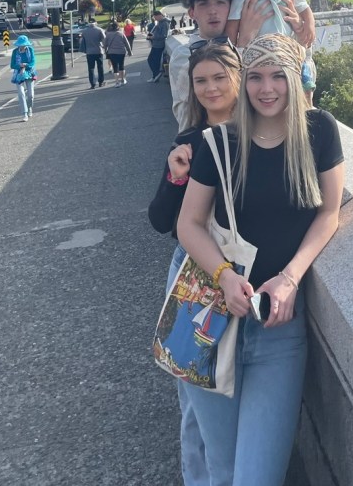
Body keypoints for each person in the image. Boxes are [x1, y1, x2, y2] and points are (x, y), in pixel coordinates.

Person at [178, 34, 344, 486]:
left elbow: (329, 213)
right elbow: (188, 224)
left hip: (276, 330)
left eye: (277, 76)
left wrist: (290, 278)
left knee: (257, 477)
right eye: (255, 77)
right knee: (222, 469)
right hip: (211, 318)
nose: (266, 89)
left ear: (294, 78)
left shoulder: (319, 130)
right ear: (243, 81)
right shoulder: (220, 141)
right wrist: (224, 276)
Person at [149, 42, 243, 486]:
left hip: (243, 275)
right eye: (201, 80)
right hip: (191, 273)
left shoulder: (258, 134)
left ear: (238, 78)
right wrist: (175, 177)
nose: (211, 88)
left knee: (233, 387)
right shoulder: (188, 141)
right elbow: (159, 220)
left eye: (219, 77)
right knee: (192, 390)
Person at [167, 0, 266, 130]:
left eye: (220, 2)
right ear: (192, 13)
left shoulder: (250, 43)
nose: (213, 11)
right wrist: (244, 41)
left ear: (232, 8)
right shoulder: (184, 55)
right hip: (202, 141)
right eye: (203, 4)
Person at [10, 34, 36, 121]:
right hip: (19, 73)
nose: (22, 46)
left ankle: (30, 108)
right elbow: (12, 65)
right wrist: (20, 66)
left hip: (29, 72)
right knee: (21, 93)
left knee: (30, 95)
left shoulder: (30, 50)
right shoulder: (15, 52)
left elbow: (32, 62)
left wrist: (25, 65)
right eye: (20, 45)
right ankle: (24, 113)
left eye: (24, 45)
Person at [104, 20, 133, 86]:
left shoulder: (108, 35)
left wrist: (106, 51)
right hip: (121, 52)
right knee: (121, 66)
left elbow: (105, 44)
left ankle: (117, 82)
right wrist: (129, 52)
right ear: (118, 27)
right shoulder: (121, 34)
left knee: (115, 67)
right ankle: (123, 79)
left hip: (112, 52)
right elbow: (127, 44)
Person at [80, 19, 107, 89]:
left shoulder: (84, 31)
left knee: (91, 68)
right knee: (100, 67)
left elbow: (82, 41)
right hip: (98, 51)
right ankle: (101, 82)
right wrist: (105, 48)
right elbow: (104, 40)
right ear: (96, 23)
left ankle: (92, 83)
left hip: (89, 52)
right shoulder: (99, 30)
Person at [147, 10, 170, 83]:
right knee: (153, 60)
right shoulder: (160, 22)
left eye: (155, 17)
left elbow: (164, 35)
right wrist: (151, 35)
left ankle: (156, 74)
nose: (155, 19)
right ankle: (155, 75)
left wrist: (153, 37)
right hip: (156, 44)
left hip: (159, 45)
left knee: (152, 60)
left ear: (159, 15)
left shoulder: (164, 23)